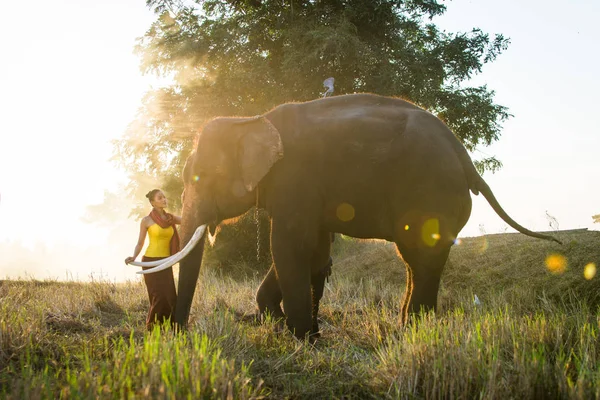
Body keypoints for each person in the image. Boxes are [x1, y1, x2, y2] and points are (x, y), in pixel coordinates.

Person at [125, 189, 181, 330]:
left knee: (170, 297)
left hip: (165, 263)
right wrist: (134, 257)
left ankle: (171, 328)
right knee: (158, 297)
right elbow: (140, 243)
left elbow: (189, 220)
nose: (164, 200)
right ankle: (153, 329)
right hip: (150, 262)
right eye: (160, 198)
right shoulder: (146, 220)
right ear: (152, 202)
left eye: (164, 197)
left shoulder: (171, 218)